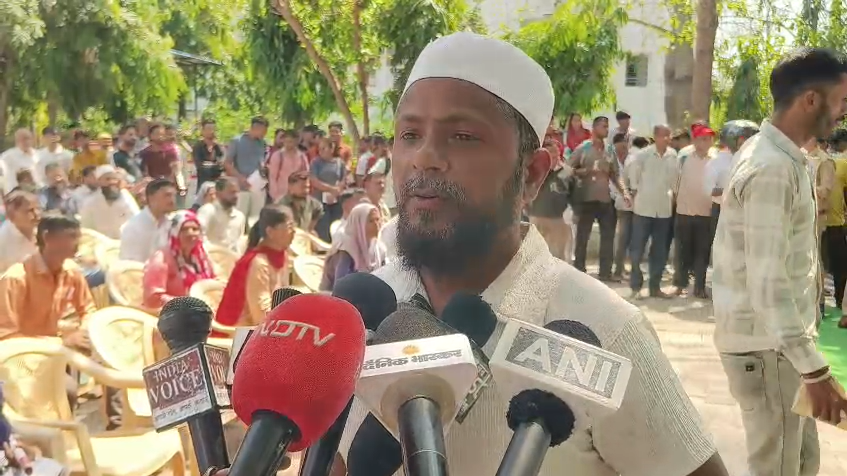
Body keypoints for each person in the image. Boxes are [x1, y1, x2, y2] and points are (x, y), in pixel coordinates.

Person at [334, 32, 727, 476]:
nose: (424, 157)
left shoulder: (604, 329)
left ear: (533, 175)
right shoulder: (357, 316)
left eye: (462, 136)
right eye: (409, 134)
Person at [712, 47, 847, 476]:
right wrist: (814, 370)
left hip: (778, 348)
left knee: (803, 462)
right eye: (842, 100)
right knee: (778, 469)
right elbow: (768, 285)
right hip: (768, 351)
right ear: (811, 99)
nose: (843, 112)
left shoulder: (783, 157)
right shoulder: (770, 167)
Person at [214, 206, 294, 330]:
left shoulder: (283, 255)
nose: (294, 232)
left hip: (271, 324)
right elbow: (260, 315)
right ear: (270, 232)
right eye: (289, 227)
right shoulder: (258, 262)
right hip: (242, 330)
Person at [570, 116, 629, 280]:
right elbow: (567, 169)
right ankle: (579, 272)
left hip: (605, 200)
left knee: (608, 237)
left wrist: (624, 192)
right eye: (603, 126)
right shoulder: (583, 148)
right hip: (586, 199)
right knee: (583, 237)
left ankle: (605, 272)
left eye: (607, 126)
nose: (606, 129)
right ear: (594, 128)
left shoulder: (609, 150)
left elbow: (615, 174)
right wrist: (584, 171)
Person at [628, 124, 679, 299]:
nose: (666, 139)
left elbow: (675, 181)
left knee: (660, 251)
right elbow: (633, 177)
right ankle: (636, 286)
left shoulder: (673, 155)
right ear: (655, 136)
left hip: (663, 209)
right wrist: (634, 193)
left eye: (668, 135)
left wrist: (674, 197)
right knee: (637, 249)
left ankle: (655, 287)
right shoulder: (643, 155)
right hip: (643, 207)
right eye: (663, 135)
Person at [673, 124, 716, 299]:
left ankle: (699, 287)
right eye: (702, 139)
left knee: (702, 252)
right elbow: (674, 181)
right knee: (683, 251)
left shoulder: (715, 158)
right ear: (695, 140)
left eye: (709, 139)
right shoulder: (683, 157)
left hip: (706, 213)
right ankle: (680, 285)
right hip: (684, 211)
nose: (706, 142)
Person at [142, 210, 215, 311]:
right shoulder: (161, 259)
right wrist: (186, 305)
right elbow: (153, 299)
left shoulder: (202, 257)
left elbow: (213, 283)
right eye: (184, 229)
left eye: (195, 229)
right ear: (174, 232)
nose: (190, 233)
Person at [703, 120, 760, 238]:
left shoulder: (756, 160)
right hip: (722, 210)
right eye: (744, 139)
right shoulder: (717, 162)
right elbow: (709, 190)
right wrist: (731, 190)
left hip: (749, 210)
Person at [319, 202, 385, 291]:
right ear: (359, 223)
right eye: (371, 221)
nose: (376, 225)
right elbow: (340, 286)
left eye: (377, 219)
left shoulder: (379, 248)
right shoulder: (346, 248)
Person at [527, 138, 572, 261]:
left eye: (556, 153)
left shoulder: (566, 172)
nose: (554, 156)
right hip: (537, 218)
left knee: (558, 256)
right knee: (536, 254)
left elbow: (574, 193)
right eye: (550, 153)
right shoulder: (535, 171)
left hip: (558, 220)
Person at [224, 117, 269, 226]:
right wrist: (240, 178)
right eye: (263, 131)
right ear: (256, 128)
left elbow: (261, 161)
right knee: (239, 219)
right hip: (242, 187)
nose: (264, 134)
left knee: (256, 220)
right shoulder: (237, 141)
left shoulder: (262, 143)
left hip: (258, 187)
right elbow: (227, 163)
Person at [119, 178, 177, 262]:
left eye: (174, 195)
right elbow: (129, 262)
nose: (172, 200)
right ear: (151, 198)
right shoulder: (133, 226)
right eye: (167, 195)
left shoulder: (172, 223)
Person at [79, 165, 140, 239]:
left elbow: (136, 220)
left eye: (115, 179)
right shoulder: (90, 203)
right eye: (108, 179)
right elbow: (86, 228)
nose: (112, 182)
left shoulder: (125, 197)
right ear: (99, 181)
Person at [310, 137, 348, 242]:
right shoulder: (315, 162)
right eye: (319, 149)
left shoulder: (340, 163)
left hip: (336, 201)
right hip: (320, 200)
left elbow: (343, 179)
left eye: (324, 148)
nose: (321, 151)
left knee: (336, 226)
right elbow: (314, 181)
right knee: (323, 227)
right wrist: (330, 189)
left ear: (332, 149)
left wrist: (337, 190)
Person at [196, 177, 246, 252]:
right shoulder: (207, 211)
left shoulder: (239, 216)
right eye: (232, 192)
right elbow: (200, 237)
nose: (236, 196)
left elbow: (239, 242)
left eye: (237, 192)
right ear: (218, 193)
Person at [0, 191, 40, 273]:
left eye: (38, 209)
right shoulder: (2, 241)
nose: (37, 214)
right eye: (29, 211)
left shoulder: (45, 229)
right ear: (11, 215)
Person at [192, 120, 225, 191]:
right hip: (203, 186)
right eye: (209, 129)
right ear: (203, 131)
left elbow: (222, 165)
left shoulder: (218, 147)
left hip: (217, 186)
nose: (211, 131)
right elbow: (199, 165)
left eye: (213, 129)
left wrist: (212, 165)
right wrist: (215, 165)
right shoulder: (198, 147)